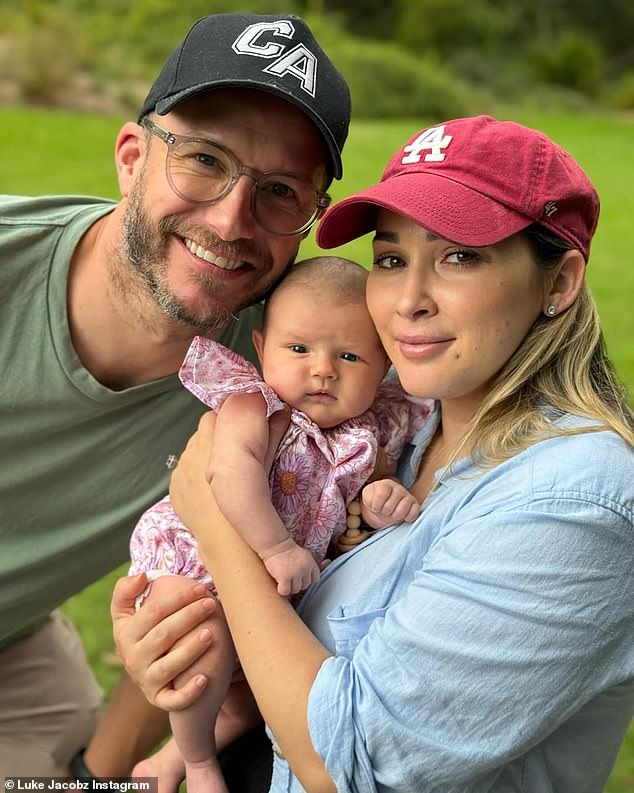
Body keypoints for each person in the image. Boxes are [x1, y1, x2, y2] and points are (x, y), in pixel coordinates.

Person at [112, 114, 634, 793]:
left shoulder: (574, 501)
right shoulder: (398, 423)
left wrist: (218, 529)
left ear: (558, 283)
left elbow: (349, 761)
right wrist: (173, 638)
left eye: (458, 256)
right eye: (390, 259)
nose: (407, 301)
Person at [0, 11, 351, 782]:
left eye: (281, 191)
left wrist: (101, 767)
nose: (231, 219)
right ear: (131, 157)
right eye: (203, 159)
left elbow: (197, 593)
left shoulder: (281, 370)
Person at [128, 255, 432, 793]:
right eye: (299, 349)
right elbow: (226, 475)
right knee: (202, 643)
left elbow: (363, 498)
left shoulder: (366, 431)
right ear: (262, 349)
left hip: (269, 588)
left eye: (349, 355)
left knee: (247, 700)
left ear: (383, 365)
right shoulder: (257, 405)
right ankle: (199, 765)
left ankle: (167, 761)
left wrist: (383, 499)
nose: (323, 370)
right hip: (195, 557)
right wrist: (275, 548)